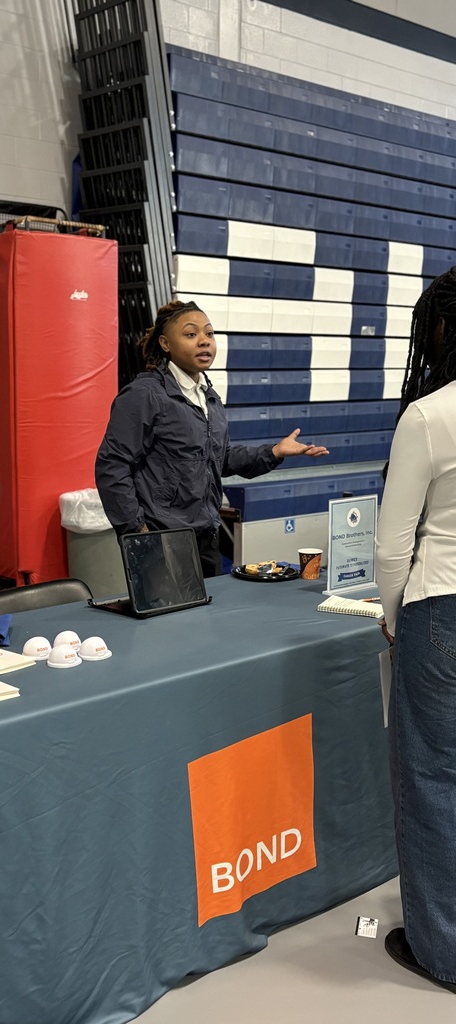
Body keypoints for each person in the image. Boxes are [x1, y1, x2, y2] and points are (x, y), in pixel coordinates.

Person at [95, 299, 329, 577]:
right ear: (165, 343)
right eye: (191, 334)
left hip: (206, 536)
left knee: (211, 607)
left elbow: (219, 458)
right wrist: (137, 533)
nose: (204, 341)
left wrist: (274, 451)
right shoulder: (144, 395)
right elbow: (112, 466)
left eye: (209, 333)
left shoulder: (208, 397)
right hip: (161, 540)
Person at [376, 266, 456, 995]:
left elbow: (391, 544)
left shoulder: (430, 415)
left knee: (433, 777)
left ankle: (445, 952)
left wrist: (395, 618)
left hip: (442, 610)